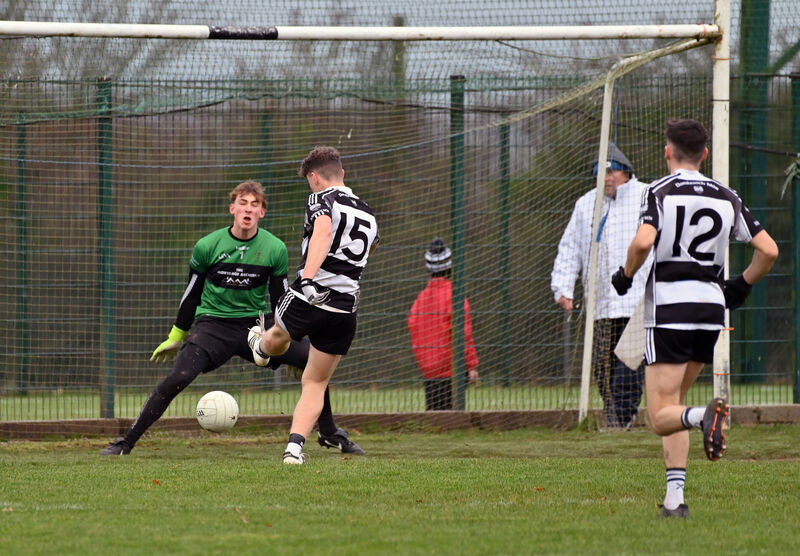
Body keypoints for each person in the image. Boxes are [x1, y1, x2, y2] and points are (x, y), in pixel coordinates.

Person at [100, 180, 364, 456]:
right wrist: (176, 336)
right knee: (178, 376)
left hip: (255, 327)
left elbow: (279, 301)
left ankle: (329, 432)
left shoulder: (274, 249)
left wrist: (288, 338)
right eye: (243, 203)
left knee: (313, 363)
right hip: (213, 326)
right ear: (232, 208)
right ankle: (125, 443)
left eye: (255, 205)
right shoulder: (207, 246)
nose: (248, 209)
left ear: (262, 213)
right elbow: (191, 295)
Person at [611, 119, 778, 518]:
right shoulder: (726, 195)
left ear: (667, 152)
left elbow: (643, 241)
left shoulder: (658, 191)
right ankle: (675, 501)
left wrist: (626, 274)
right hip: (710, 310)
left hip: (670, 309)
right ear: (705, 154)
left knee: (660, 415)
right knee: (674, 403)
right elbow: (768, 250)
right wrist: (741, 285)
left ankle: (704, 417)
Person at [249, 146, 379, 464]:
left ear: (315, 177)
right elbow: (369, 250)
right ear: (343, 173)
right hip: (345, 307)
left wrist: (308, 279)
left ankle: (259, 347)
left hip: (314, 294)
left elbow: (323, 231)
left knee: (276, 338)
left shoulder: (321, 198)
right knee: (316, 381)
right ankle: (294, 450)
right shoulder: (368, 211)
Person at [550, 142, 650, 428]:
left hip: (636, 302)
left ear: (626, 172)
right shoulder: (586, 205)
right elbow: (570, 249)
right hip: (601, 305)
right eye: (600, 172)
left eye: (612, 171)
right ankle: (615, 415)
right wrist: (563, 288)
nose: (606, 177)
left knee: (628, 365)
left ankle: (622, 417)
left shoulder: (646, 197)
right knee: (601, 367)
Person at [407, 237, 479, 410]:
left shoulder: (420, 300)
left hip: (428, 371)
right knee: (452, 416)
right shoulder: (455, 297)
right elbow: (464, 334)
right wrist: (472, 365)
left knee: (434, 416)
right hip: (451, 370)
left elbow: (413, 329)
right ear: (449, 266)